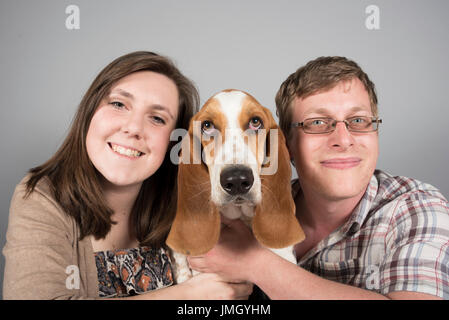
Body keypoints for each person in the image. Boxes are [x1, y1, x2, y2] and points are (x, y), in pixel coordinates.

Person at [188, 56, 449, 299]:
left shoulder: (418, 209)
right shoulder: (243, 206)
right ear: (285, 145)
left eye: (358, 120)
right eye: (316, 123)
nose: (343, 140)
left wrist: (256, 263)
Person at [2, 51, 253, 300]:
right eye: (118, 104)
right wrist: (185, 296)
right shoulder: (41, 198)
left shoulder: (192, 203)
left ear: (175, 141)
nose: (133, 128)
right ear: (90, 111)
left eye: (157, 118)